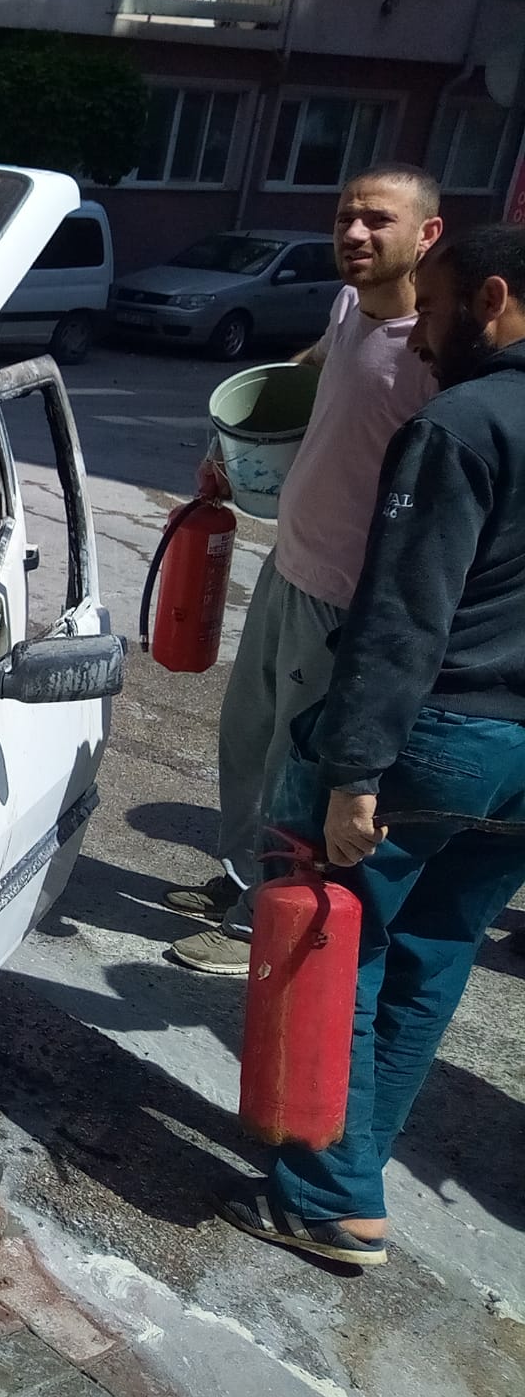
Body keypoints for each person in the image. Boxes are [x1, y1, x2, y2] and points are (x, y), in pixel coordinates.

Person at [218, 223, 525, 1266]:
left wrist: (352, 772)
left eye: (432, 312)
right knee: (432, 957)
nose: (422, 340)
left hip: (434, 734)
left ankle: (325, 1195)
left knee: (331, 942)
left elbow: (402, 615)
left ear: (490, 300)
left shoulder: (462, 423)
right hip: (516, 767)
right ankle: (348, 1172)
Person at [163, 166, 442, 974]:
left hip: (346, 598)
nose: (354, 234)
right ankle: (238, 877)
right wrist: (233, 452)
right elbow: (314, 367)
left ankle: (267, 924)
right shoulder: (349, 305)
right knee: (247, 740)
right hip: (289, 565)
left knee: (299, 768)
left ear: (426, 234)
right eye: (346, 217)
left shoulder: (431, 353)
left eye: (377, 221)